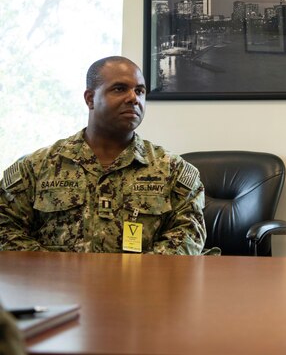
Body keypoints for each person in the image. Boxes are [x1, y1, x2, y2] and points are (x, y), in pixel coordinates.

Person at [0, 56, 206, 254]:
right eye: (119, 89)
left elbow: (188, 237)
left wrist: (135, 273)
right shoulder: (37, 166)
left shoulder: (172, 170)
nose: (133, 98)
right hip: (55, 279)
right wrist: (52, 269)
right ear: (90, 99)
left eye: (140, 91)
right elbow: (5, 228)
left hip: (141, 279)